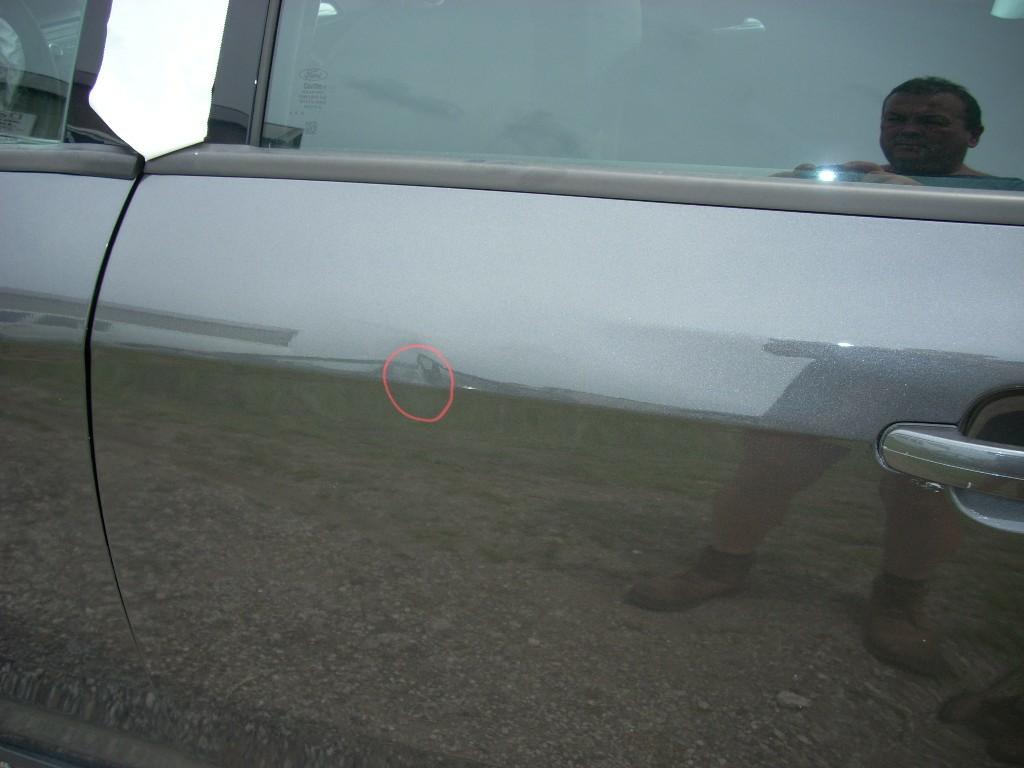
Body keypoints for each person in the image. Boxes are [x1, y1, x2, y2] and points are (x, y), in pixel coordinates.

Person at [791, 76, 1024, 191]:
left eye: (931, 121)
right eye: (895, 119)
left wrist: (919, 198)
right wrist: (784, 190)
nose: (909, 130)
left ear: (973, 135)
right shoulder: (854, 183)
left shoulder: (1009, 194)